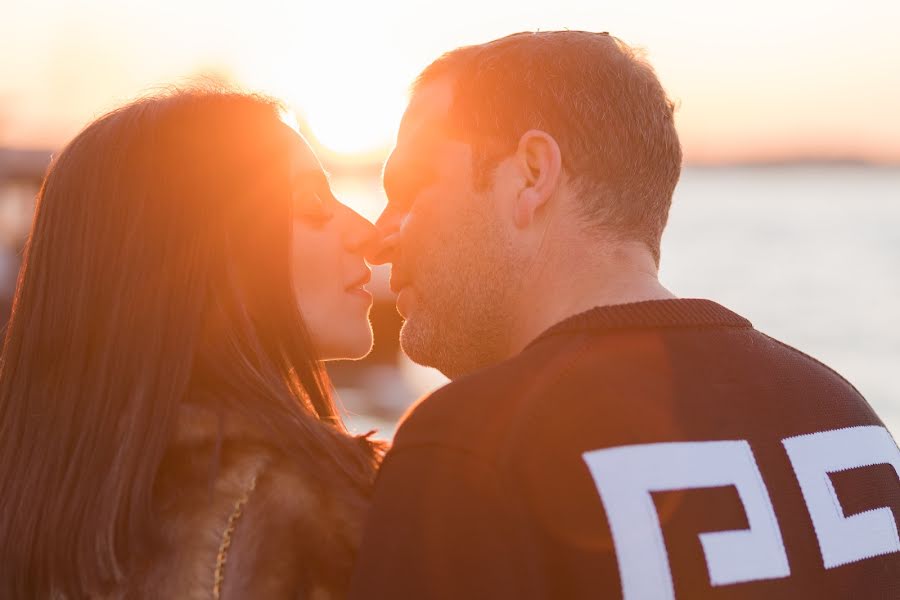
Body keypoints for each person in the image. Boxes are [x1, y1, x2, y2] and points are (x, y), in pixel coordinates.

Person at [349, 31, 900, 599]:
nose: (378, 238)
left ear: (532, 174)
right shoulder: (850, 424)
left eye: (411, 190)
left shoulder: (468, 451)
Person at [0, 88, 384, 598]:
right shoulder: (296, 503)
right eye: (313, 205)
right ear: (210, 254)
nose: (366, 232)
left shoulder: (35, 504)